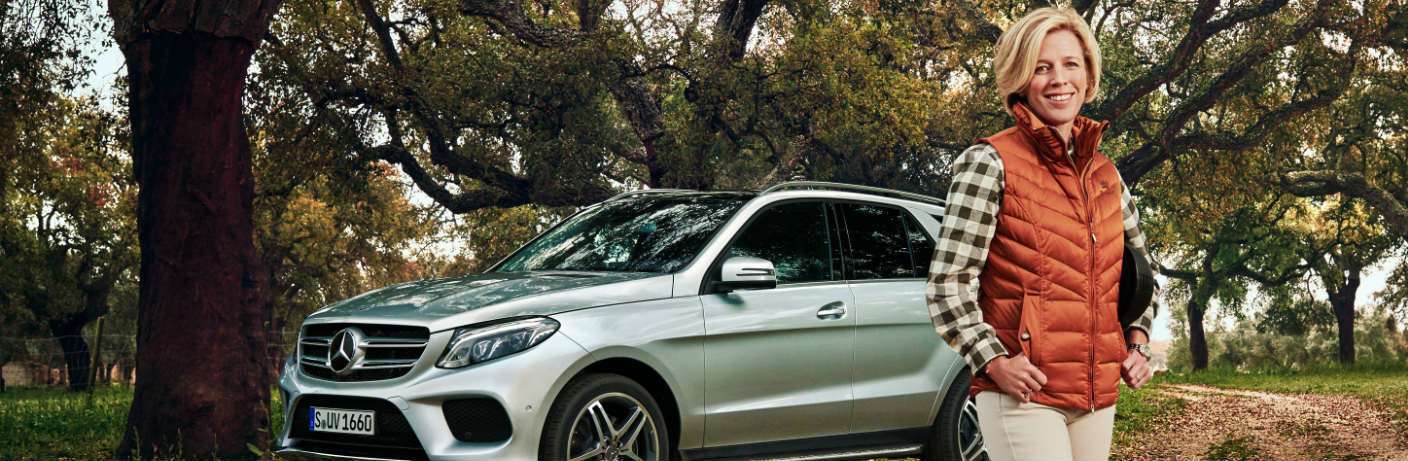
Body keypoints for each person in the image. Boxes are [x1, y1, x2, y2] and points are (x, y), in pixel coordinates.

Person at [925, 7, 1157, 461]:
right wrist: (993, 360)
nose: (1058, 79)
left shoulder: (1108, 176)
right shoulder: (988, 163)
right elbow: (947, 284)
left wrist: (1138, 343)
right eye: (1041, 67)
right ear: (1020, 78)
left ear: (1088, 76)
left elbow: (1142, 278)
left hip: (1095, 395)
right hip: (1022, 392)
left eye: (1070, 64)